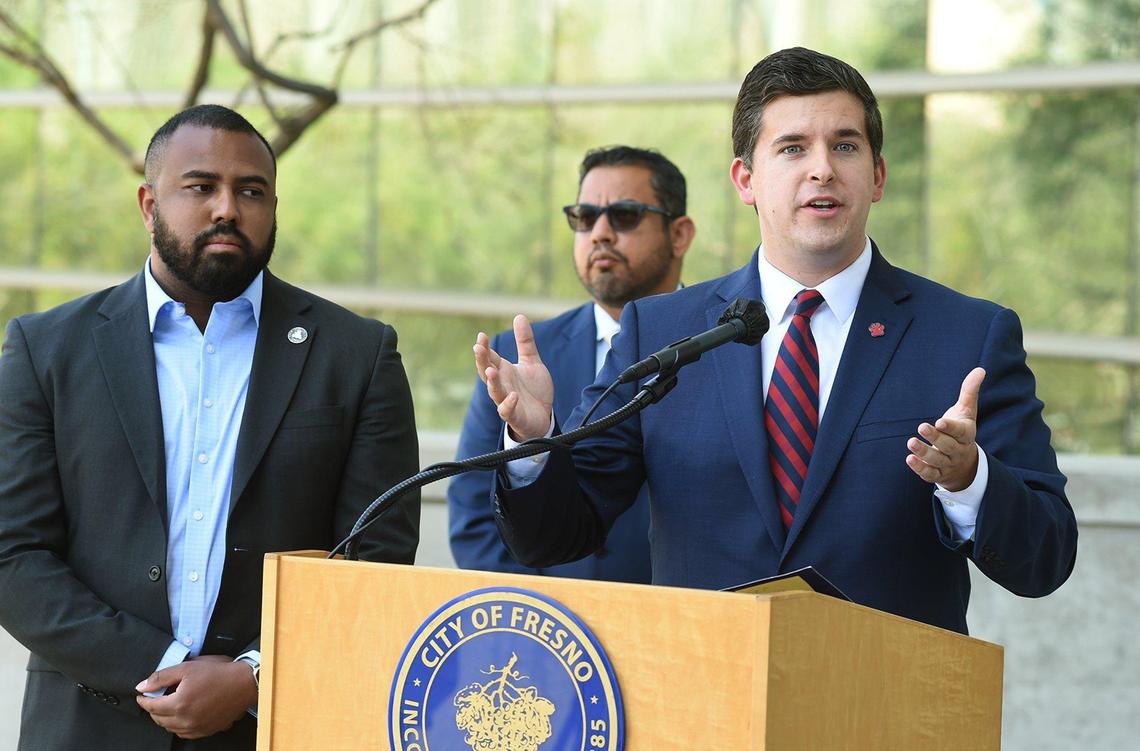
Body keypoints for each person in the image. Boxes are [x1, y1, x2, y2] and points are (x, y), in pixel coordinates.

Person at [473, 47, 1077, 634]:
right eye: (792, 148)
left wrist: (969, 479)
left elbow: (1046, 557)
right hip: (706, 703)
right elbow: (558, 535)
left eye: (845, 145)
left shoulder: (967, 335)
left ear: (878, 175)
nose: (822, 168)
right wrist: (533, 442)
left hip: (885, 710)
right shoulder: (659, 332)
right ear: (746, 179)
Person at [0, 105, 420, 749]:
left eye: (251, 191)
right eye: (201, 187)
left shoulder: (356, 354)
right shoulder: (46, 348)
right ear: (148, 204)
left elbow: (374, 558)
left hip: (279, 724)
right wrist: (158, 666)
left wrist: (254, 675)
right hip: (87, 724)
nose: (228, 208)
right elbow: (13, 553)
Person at [449, 146, 696, 582]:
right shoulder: (516, 356)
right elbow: (475, 517)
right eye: (585, 217)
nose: (600, 232)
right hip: (553, 636)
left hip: (687, 623)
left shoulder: (725, 343)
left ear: (679, 234)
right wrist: (540, 627)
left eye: (624, 215)